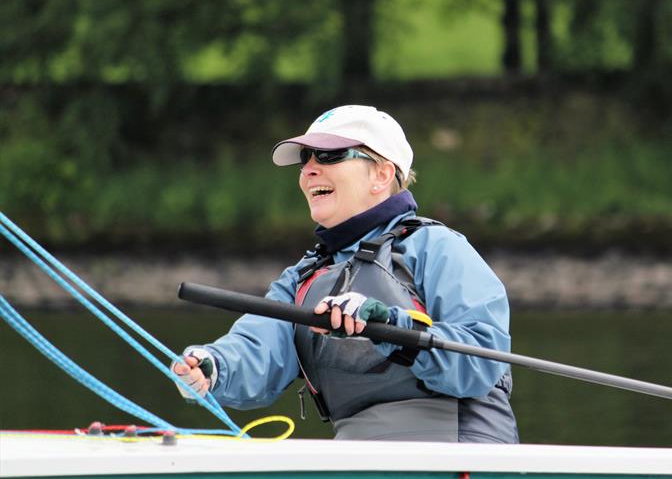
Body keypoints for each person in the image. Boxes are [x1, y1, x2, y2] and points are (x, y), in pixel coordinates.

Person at [172, 105, 519, 443]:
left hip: (460, 454)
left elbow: (480, 359)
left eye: (328, 156)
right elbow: (256, 348)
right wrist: (212, 366)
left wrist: (391, 326)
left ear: (381, 175)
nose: (308, 170)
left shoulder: (437, 246)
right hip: (356, 457)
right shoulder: (300, 278)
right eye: (305, 158)